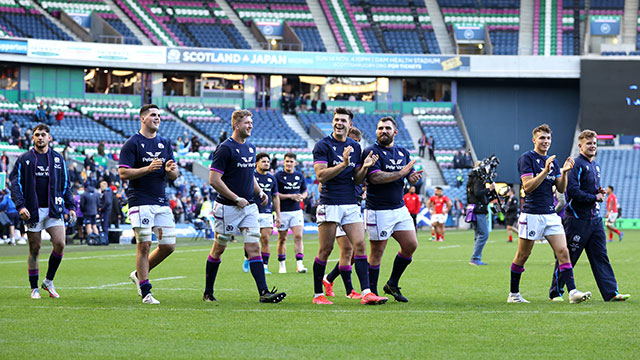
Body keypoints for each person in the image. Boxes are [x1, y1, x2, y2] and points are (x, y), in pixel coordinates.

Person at [204, 109, 286, 303]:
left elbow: (249, 176)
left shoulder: (250, 148)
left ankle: (264, 293)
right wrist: (235, 198)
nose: (251, 125)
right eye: (247, 122)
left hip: (249, 207)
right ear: (236, 125)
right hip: (227, 207)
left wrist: (259, 192)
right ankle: (208, 292)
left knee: (254, 248)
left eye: (251, 122)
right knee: (219, 248)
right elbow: (214, 180)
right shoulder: (225, 148)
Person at [311, 107, 387, 305]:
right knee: (325, 250)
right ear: (332, 121)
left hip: (351, 204)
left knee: (359, 246)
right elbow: (321, 175)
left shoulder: (356, 146)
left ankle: (366, 293)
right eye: (336, 120)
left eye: (343, 121)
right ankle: (318, 294)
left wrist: (365, 167)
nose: (339, 123)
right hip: (329, 202)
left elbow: (357, 179)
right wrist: (343, 164)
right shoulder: (322, 145)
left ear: (350, 124)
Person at [508, 124, 591, 304]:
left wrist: (565, 172)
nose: (545, 141)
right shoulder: (527, 158)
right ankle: (514, 294)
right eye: (542, 138)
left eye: (548, 138)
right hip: (531, 214)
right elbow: (528, 187)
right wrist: (545, 171)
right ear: (534, 140)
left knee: (563, 251)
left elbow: (560, 188)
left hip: (551, 215)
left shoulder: (553, 161)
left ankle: (572, 292)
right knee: (523, 256)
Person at [548, 130, 630, 302]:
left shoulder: (596, 166)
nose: (593, 146)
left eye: (594, 143)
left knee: (601, 257)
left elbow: (589, 191)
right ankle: (556, 292)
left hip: (595, 220)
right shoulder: (577, 164)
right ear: (580, 146)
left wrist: (597, 192)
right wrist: (595, 197)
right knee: (568, 257)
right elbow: (572, 192)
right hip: (577, 220)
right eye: (589, 144)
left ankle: (611, 293)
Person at [119, 104, 180, 305]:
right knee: (144, 245)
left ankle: (139, 274)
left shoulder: (164, 143)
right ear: (143, 118)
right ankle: (146, 291)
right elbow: (123, 173)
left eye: (159, 116)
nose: (157, 118)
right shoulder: (132, 143)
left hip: (161, 200)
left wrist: (170, 170)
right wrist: (148, 168)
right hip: (140, 199)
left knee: (169, 246)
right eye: (153, 115)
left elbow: (174, 174)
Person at [9, 124, 76, 299]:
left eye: (43, 135)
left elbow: (65, 185)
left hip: (54, 208)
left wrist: (71, 206)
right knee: (35, 248)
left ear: (49, 138)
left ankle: (48, 281)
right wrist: (21, 206)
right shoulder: (24, 159)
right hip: (32, 210)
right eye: (37, 135)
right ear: (32, 138)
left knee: (60, 243)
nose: (40, 137)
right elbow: (15, 184)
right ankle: (34, 288)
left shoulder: (58, 159)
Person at [363, 117, 422, 302]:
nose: (383, 131)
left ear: (395, 132)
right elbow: (376, 178)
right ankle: (372, 292)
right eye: (380, 128)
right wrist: (402, 173)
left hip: (399, 207)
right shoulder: (371, 151)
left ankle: (392, 284)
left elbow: (409, 175)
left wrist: (411, 178)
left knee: (411, 245)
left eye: (387, 128)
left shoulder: (403, 152)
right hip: (378, 209)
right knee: (377, 252)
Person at [323, 127, 366, 300]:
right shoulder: (336, 160)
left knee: (355, 252)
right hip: (337, 204)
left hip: (354, 205)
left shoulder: (357, 159)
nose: (353, 145)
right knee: (347, 250)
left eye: (357, 142)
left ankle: (329, 278)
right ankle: (350, 290)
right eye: (351, 140)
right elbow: (322, 183)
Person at [248, 152, 281, 275]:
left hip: (267, 212)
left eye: (268, 162)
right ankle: (247, 258)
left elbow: (275, 197)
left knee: (265, 239)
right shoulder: (251, 176)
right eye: (264, 161)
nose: (266, 163)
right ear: (257, 163)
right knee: (251, 241)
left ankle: (265, 266)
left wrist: (278, 215)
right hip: (251, 212)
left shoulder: (272, 178)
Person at [275, 152, 308, 274]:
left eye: (291, 161)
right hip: (283, 212)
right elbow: (276, 195)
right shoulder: (278, 176)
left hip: (296, 211)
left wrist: (301, 197)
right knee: (282, 238)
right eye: (287, 161)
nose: (289, 163)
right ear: (283, 162)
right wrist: (290, 196)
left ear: (295, 163)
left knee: (298, 237)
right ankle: (282, 265)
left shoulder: (299, 175)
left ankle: (299, 264)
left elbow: (305, 191)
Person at [467, 163, 494, 265]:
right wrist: (489, 189)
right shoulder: (477, 179)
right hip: (479, 209)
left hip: (474, 209)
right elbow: (478, 192)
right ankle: (475, 257)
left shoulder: (471, 179)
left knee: (478, 234)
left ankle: (476, 257)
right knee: (484, 234)